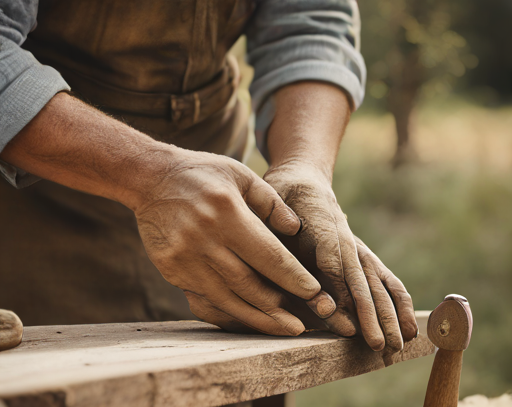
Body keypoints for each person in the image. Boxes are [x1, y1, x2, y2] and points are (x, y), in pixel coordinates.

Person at [0, 0, 418, 351]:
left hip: (216, 187)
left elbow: (310, 28)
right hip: (38, 182)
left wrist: (303, 166)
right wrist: (153, 176)